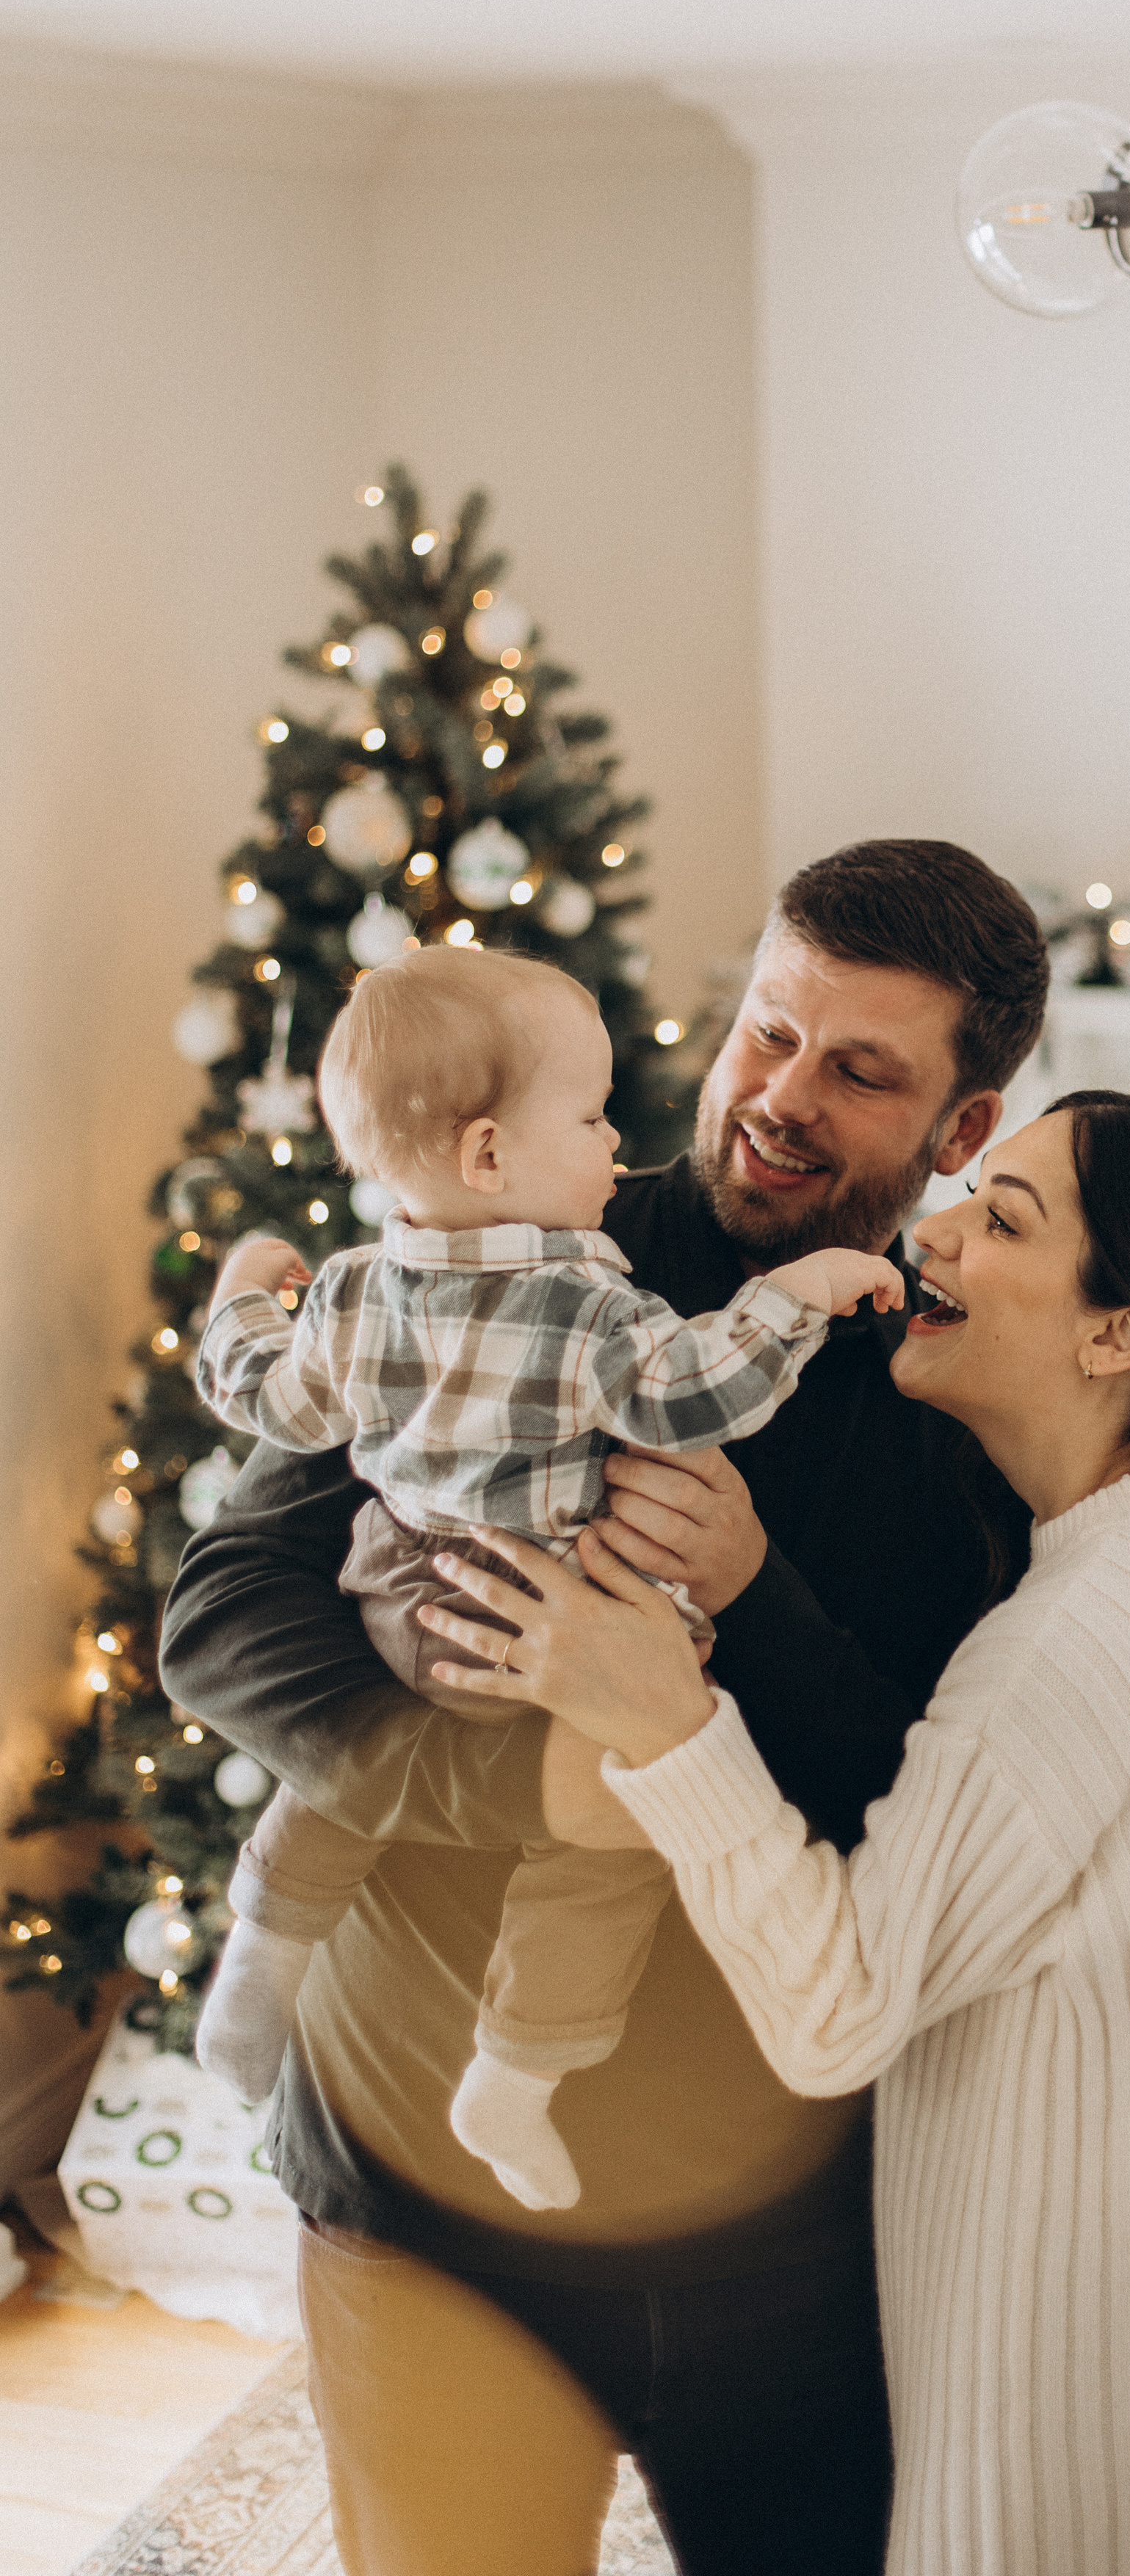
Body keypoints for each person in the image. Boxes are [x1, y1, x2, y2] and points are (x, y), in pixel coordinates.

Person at [159, 840, 1046, 2576]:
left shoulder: (955, 1396)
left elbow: (926, 1813)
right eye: (764, 1036)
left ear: (961, 1128)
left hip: (783, 2245)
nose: (779, 1100)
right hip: (415, 2191)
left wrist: (748, 1602)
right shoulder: (495, 1253)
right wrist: (520, 1788)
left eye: (859, 1072)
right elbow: (227, 1616)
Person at [421, 1090, 1130, 2576]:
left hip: (1069, 2464)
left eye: (1002, 1217)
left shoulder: (1079, 1640)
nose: (933, 1226)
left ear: (1118, 1333)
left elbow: (835, 2011)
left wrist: (660, 1720)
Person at [192, 942, 900, 2213]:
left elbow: (270, 1398)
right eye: (587, 1117)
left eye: (860, 1070)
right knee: (617, 1835)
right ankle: (518, 2069)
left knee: (335, 1782)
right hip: (542, 1639)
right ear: (487, 1156)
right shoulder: (592, 1304)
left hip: (397, 1600)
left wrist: (244, 1294)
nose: (616, 1144)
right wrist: (802, 1295)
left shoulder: (353, 1288)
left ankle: (258, 1953)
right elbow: (696, 1389)